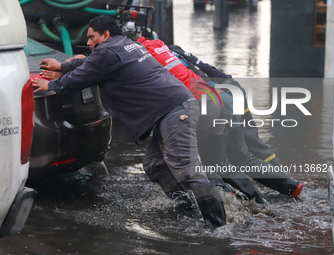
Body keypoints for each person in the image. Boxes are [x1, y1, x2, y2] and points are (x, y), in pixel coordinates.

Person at [32, 15, 226, 227]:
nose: (88, 43)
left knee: (188, 171)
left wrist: (52, 85)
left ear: (105, 35)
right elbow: (89, 63)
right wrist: (62, 66)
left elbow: (83, 74)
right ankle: (187, 212)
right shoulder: (125, 44)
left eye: (91, 37)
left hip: (173, 110)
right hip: (174, 107)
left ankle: (217, 227)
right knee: (155, 165)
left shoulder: (107, 51)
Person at [169, 45, 303, 199]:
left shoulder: (163, 56)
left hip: (219, 95)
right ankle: (286, 184)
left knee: (219, 160)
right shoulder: (173, 51)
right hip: (230, 88)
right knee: (245, 150)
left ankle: (247, 198)